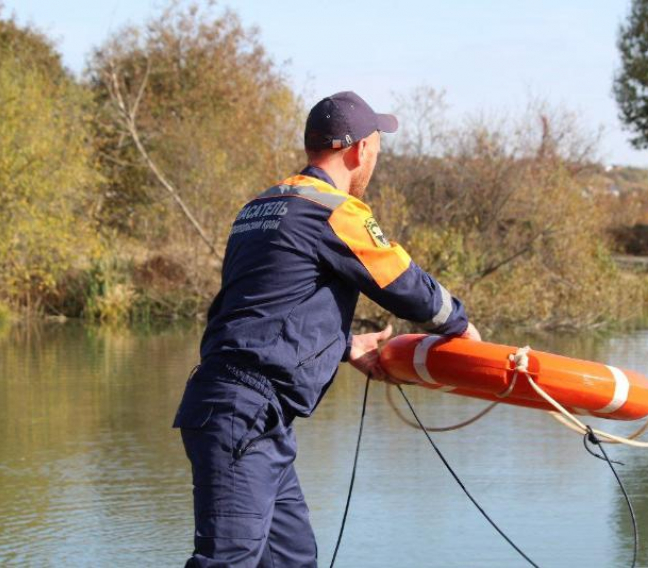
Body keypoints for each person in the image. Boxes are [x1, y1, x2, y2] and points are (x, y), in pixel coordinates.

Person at [173, 91, 480, 568]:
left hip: (246, 413)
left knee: (293, 560)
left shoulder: (260, 207)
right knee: (226, 562)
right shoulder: (334, 210)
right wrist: (461, 326)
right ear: (359, 150)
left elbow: (259, 314)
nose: (376, 157)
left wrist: (341, 345)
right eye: (377, 146)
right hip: (244, 414)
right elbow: (404, 283)